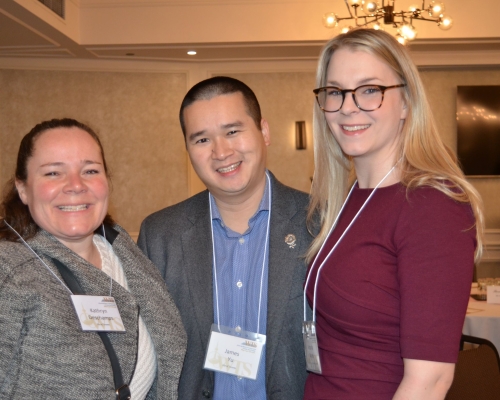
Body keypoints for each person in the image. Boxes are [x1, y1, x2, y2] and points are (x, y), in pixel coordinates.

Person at [304, 29, 484, 400]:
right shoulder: (349, 197)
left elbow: (430, 381)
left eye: (370, 90)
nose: (348, 107)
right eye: (335, 92)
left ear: (406, 103)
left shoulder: (433, 205)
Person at [138, 76, 312, 400]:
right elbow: (145, 355)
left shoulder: (318, 224)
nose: (221, 151)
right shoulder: (161, 235)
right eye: (202, 140)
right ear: (188, 150)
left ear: (264, 132)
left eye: (232, 131)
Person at [0, 118, 186, 399]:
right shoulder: (9, 269)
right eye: (53, 173)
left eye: (90, 170)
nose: (76, 185)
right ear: (23, 189)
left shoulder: (126, 252)